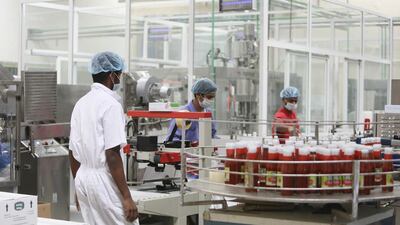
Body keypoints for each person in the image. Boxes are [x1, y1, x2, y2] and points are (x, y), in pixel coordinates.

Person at [69, 51, 139, 225]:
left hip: (83, 178)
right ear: (111, 75)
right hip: (103, 181)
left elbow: (72, 151)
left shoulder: (81, 104)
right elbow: (112, 154)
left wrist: (78, 188)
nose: (120, 77)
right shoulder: (111, 105)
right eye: (119, 73)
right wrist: (127, 197)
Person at [165, 78, 217, 144]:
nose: (211, 100)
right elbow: (171, 141)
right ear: (198, 95)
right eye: (209, 97)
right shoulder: (182, 114)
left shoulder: (208, 113)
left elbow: (212, 135)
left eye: (213, 97)